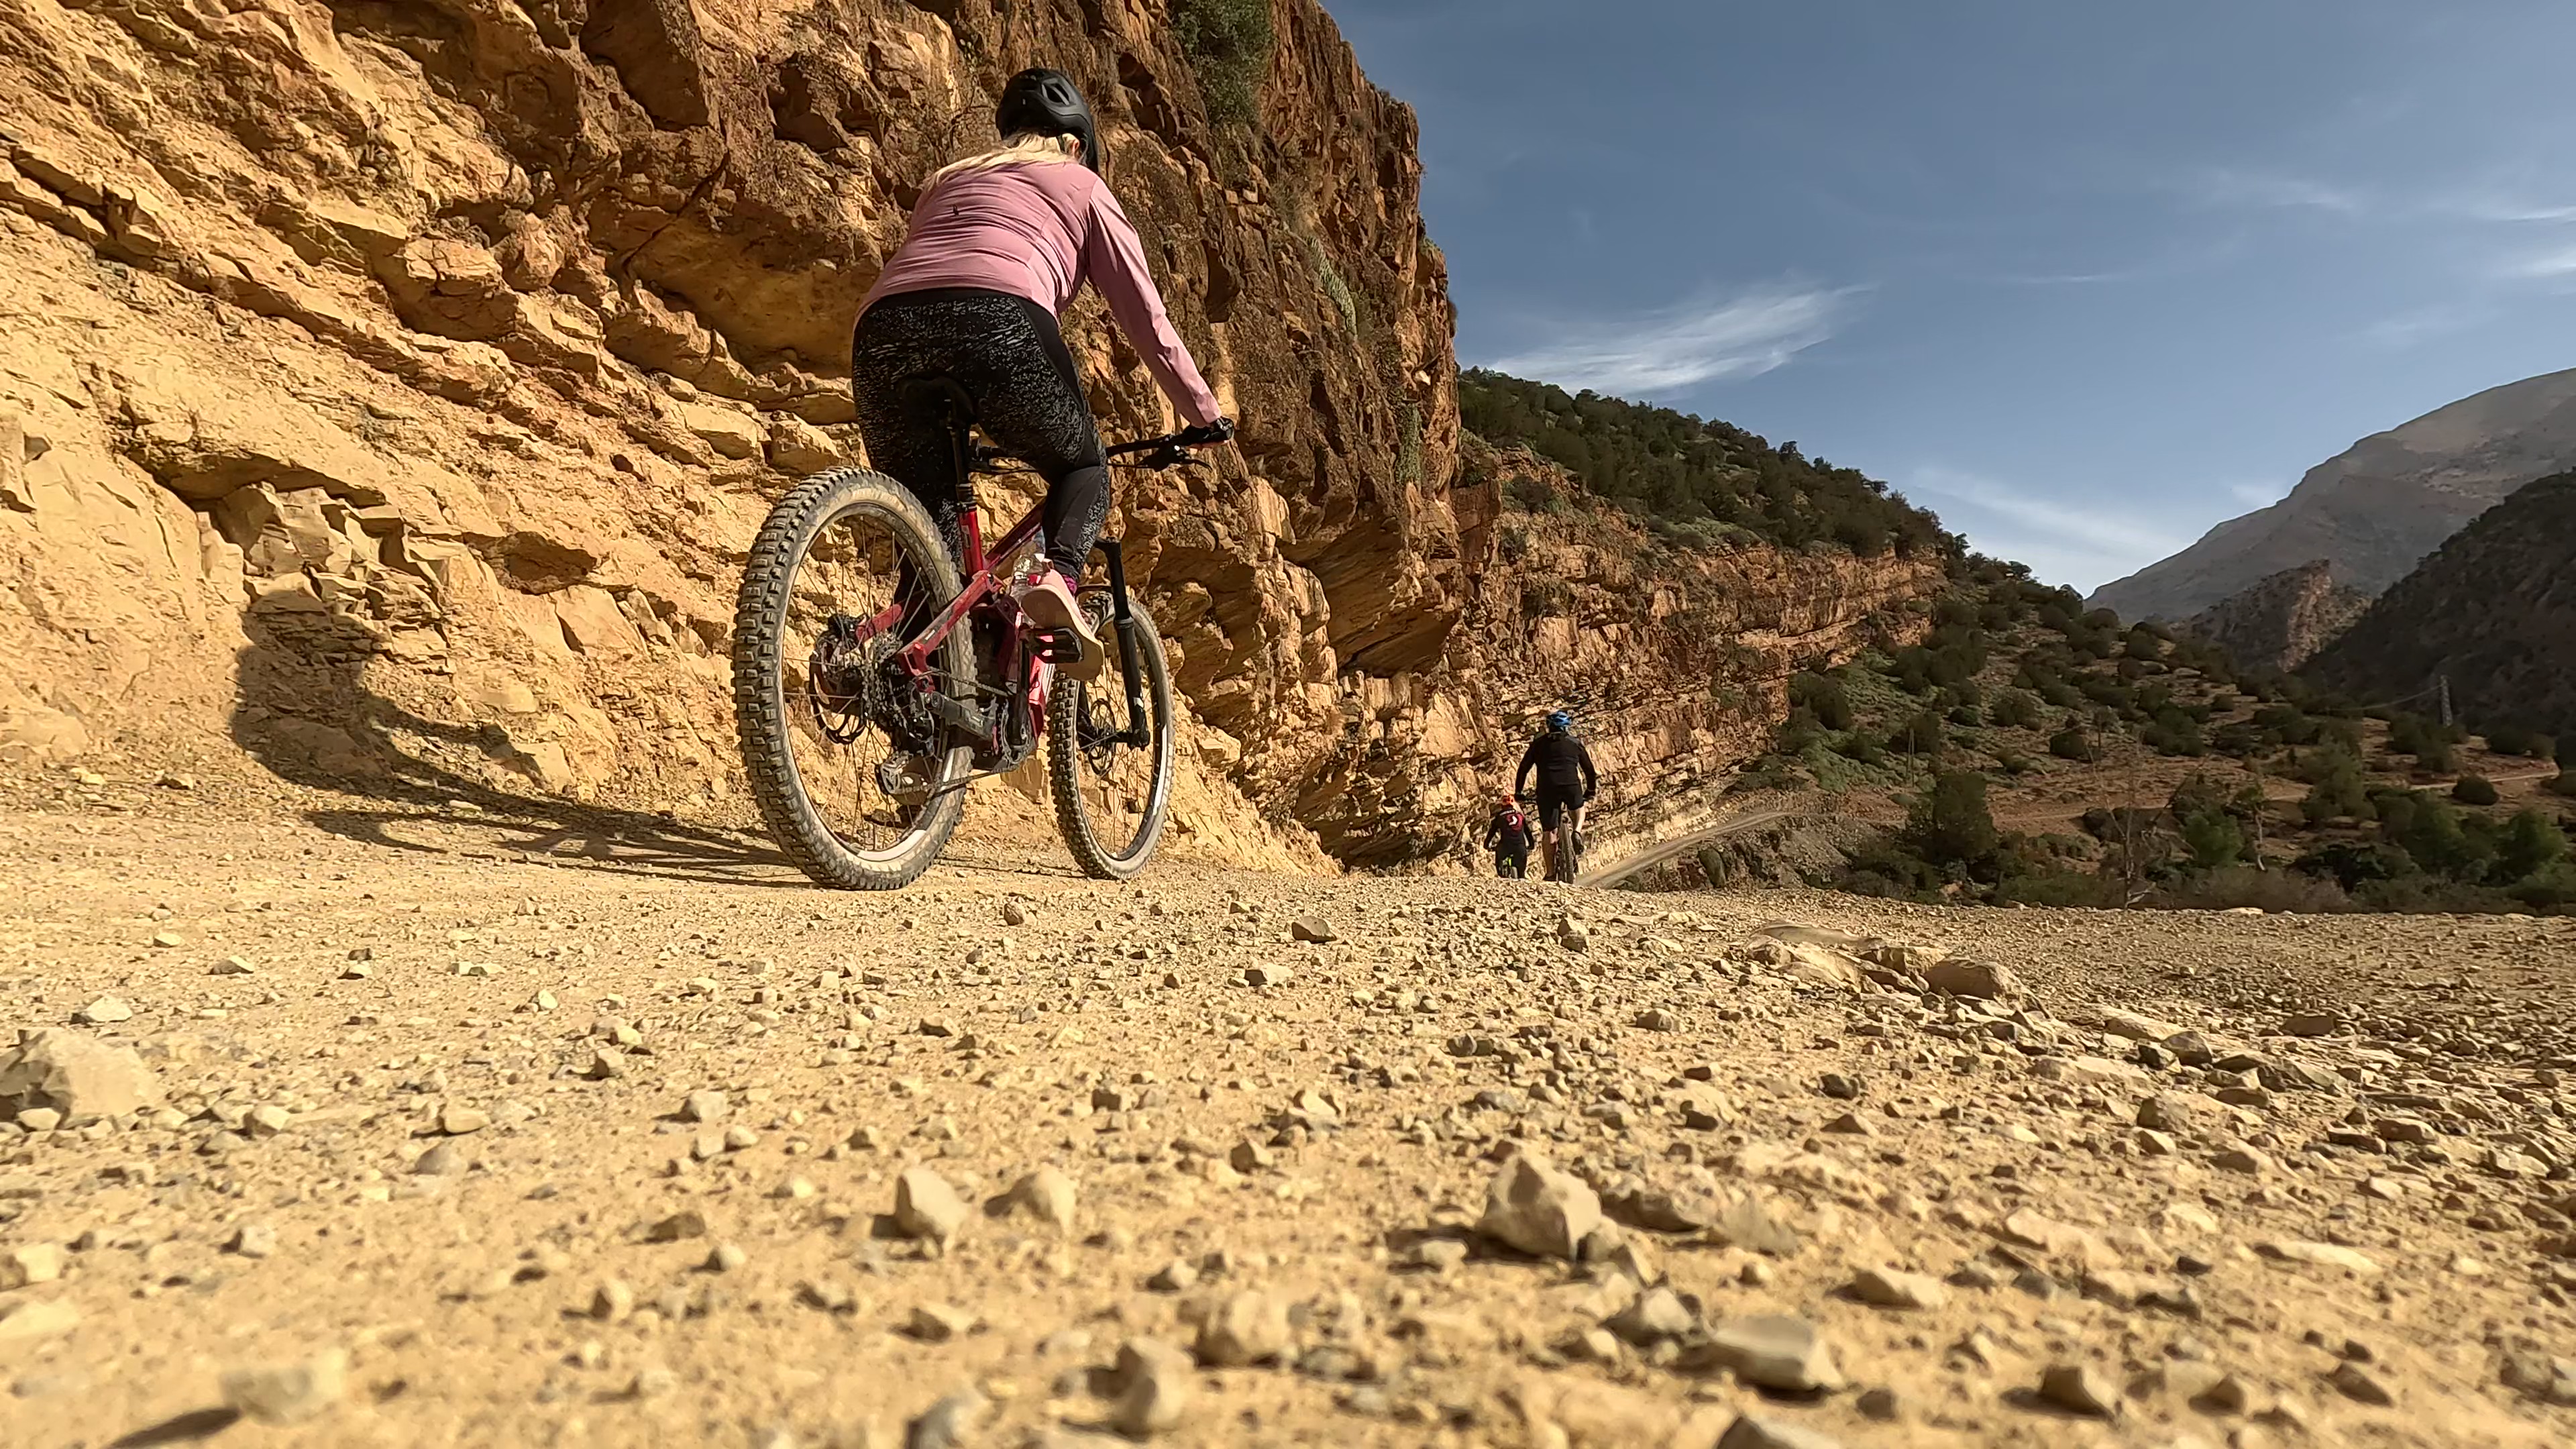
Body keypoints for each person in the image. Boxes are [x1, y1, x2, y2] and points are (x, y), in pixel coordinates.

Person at [850, 68, 1232, 680]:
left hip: (882, 332)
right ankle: (1056, 578)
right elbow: (1146, 318)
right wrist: (1204, 416)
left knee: (932, 546)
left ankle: (915, 692)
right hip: (998, 317)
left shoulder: (946, 181)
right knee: (1083, 467)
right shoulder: (1081, 183)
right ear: (1075, 143)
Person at [1513, 710, 1597, 881]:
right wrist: (1591, 790)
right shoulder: (1575, 743)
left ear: (1549, 727)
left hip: (1547, 788)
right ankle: (1577, 831)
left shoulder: (1538, 744)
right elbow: (1589, 770)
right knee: (1578, 807)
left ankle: (1551, 873)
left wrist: (1519, 792)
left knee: (1549, 831)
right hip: (1570, 784)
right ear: (1566, 728)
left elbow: (1523, 769)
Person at [1483, 795, 1535, 879]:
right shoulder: (1520, 816)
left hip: (1505, 846)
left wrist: (1486, 845)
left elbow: (1492, 832)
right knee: (1521, 874)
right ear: (1513, 805)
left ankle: (1501, 873)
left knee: (1500, 862)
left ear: (1502, 805)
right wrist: (1532, 845)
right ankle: (1522, 877)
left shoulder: (1500, 816)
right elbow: (1528, 832)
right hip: (1520, 847)